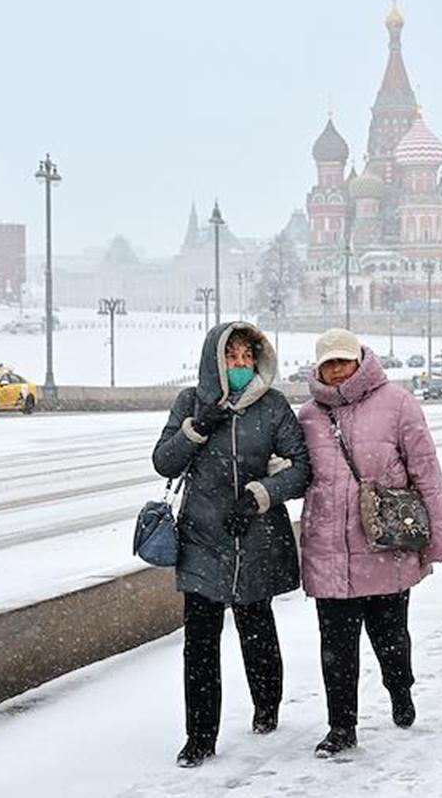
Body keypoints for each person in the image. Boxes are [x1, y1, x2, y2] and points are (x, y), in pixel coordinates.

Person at [152, 322, 310, 767]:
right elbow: (163, 460)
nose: (240, 365)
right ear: (214, 360)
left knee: (257, 628)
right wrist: (197, 429)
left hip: (256, 536)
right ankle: (199, 736)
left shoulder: (274, 407)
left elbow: (300, 469)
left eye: (246, 357)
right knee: (200, 642)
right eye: (231, 357)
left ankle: (267, 704)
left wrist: (259, 496)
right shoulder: (190, 402)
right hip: (203, 538)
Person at [297, 328, 442, 758]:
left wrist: (436, 539)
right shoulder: (308, 416)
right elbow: (294, 474)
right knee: (336, 650)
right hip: (329, 552)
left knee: (391, 640)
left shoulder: (398, 403)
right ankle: (341, 727)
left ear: (360, 360)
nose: (336, 371)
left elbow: (427, 474)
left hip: (386, 549)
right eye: (328, 364)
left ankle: (400, 690)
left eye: (343, 361)